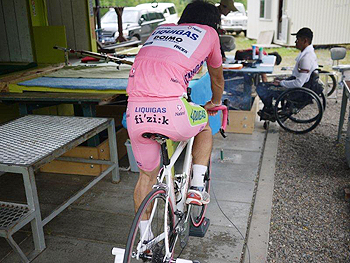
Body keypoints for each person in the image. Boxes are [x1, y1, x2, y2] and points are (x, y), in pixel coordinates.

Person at [126, 0, 224, 239]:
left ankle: (144, 241)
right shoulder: (209, 34)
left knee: (146, 177)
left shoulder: (162, 29)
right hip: (172, 111)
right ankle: (198, 187)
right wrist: (213, 103)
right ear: (214, 22)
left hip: (135, 112)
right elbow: (217, 80)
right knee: (203, 127)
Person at [256, 27, 318, 120]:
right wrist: (282, 80)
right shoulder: (308, 53)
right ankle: (271, 110)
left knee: (261, 87)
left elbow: (298, 83)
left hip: (296, 91)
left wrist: (281, 83)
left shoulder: (306, 58)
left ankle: (271, 111)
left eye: (298, 39)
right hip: (297, 85)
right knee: (270, 83)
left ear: (305, 40)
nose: (295, 42)